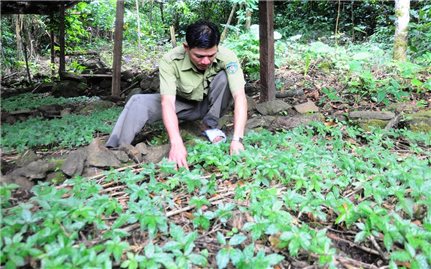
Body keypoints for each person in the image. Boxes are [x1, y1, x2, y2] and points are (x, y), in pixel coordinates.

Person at [106, 20, 248, 169]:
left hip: (208, 106)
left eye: (211, 55)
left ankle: (209, 127)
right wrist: (176, 143)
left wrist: (237, 139)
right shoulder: (170, 60)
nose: (206, 61)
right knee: (137, 101)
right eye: (199, 56)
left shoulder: (228, 57)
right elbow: (167, 102)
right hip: (180, 106)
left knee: (225, 78)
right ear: (186, 47)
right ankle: (116, 149)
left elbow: (240, 97)